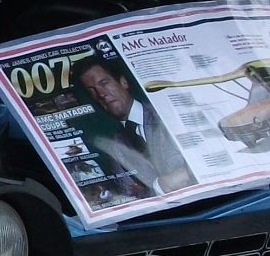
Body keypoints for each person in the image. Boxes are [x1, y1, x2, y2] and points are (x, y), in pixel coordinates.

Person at [70, 52, 195, 199]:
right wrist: (162, 185)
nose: (101, 94)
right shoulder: (114, 148)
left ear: (123, 82)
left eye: (104, 83)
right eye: (92, 91)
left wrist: (186, 172)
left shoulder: (168, 113)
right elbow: (131, 198)